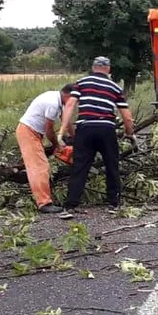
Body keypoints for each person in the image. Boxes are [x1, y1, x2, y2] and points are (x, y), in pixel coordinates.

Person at [61, 56, 135, 214]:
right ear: (108, 69)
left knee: (80, 166)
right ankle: (113, 204)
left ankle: (70, 206)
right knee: (111, 165)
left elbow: (70, 105)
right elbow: (127, 117)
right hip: (106, 129)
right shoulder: (115, 87)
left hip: (85, 128)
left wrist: (62, 131)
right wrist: (129, 133)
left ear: (93, 68)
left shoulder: (81, 82)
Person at [16, 83, 74, 214]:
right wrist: (57, 145)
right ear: (68, 95)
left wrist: (76, 139)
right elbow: (49, 130)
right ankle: (44, 203)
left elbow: (66, 122)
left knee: (34, 163)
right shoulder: (53, 103)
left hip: (34, 133)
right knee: (40, 167)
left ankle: (40, 195)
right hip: (28, 132)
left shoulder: (59, 101)